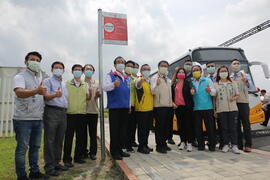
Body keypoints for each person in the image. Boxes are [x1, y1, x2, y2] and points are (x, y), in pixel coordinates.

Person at [13, 51, 49, 180]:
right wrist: (36, 91)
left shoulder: (39, 78)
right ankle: (21, 176)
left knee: (35, 147)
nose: (35, 62)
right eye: (32, 59)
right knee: (22, 149)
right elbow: (19, 93)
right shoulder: (20, 77)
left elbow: (42, 96)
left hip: (37, 119)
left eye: (38, 60)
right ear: (26, 62)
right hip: (23, 119)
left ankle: (34, 172)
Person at [43, 61, 69, 176]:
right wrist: (54, 95)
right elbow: (45, 97)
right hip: (51, 111)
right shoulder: (47, 81)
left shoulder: (64, 83)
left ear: (63, 70)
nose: (58, 69)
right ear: (52, 69)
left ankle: (56, 163)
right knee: (50, 140)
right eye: (56, 67)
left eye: (60, 68)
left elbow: (65, 99)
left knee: (59, 139)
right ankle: (49, 167)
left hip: (63, 113)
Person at [103, 56, 130, 160]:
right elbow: (104, 87)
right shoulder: (110, 75)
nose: (121, 64)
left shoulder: (126, 77)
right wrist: (114, 84)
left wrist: (129, 105)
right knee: (115, 130)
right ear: (114, 65)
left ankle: (120, 150)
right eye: (119, 62)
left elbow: (128, 92)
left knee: (123, 130)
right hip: (115, 107)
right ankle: (114, 152)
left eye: (123, 62)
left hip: (124, 107)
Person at [63, 64, 90, 167]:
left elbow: (87, 97)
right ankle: (66, 159)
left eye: (79, 70)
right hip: (70, 114)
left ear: (82, 72)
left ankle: (78, 157)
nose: (77, 71)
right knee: (69, 137)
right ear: (72, 71)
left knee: (80, 137)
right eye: (75, 69)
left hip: (82, 114)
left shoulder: (85, 85)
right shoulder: (67, 84)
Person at [214, 66, 240, 154]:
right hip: (221, 110)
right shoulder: (216, 84)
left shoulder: (233, 82)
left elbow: (237, 94)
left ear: (228, 72)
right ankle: (225, 145)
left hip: (233, 109)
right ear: (218, 73)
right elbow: (214, 98)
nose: (223, 73)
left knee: (233, 128)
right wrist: (215, 110)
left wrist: (234, 98)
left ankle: (234, 145)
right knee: (224, 128)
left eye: (225, 71)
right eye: (221, 71)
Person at [190, 64, 216, 151]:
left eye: (197, 70)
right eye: (193, 70)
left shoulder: (207, 80)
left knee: (210, 128)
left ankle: (212, 145)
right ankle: (201, 145)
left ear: (201, 71)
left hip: (208, 108)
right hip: (196, 108)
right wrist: (191, 93)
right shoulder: (191, 82)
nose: (195, 71)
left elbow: (214, 92)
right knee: (198, 129)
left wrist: (210, 91)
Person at [230, 58, 253, 152]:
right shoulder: (230, 77)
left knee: (246, 124)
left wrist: (245, 81)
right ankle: (238, 145)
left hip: (243, 103)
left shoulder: (245, 75)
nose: (236, 65)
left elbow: (250, 87)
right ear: (231, 66)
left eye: (237, 63)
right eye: (234, 63)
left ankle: (248, 145)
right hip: (233, 104)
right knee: (236, 125)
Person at [151, 60, 173, 153]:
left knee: (166, 127)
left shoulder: (168, 80)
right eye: (162, 66)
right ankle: (159, 146)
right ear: (159, 67)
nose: (164, 68)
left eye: (166, 66)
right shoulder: (154, 78)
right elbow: (152, 92)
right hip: (159, 107)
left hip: (168, 106)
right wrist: (156, 84)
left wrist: (172, 103)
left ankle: (164, 144)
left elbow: (170, 94)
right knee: (160, 127)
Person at [172, 67, 193, 152]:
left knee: (188, 125)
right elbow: (172, 95)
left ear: (185, 74)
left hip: (187, 107)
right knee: (180, 126)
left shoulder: (188, 82)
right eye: (179, 72)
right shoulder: (174, 84)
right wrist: (173, 102)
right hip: (178, 107)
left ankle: (189, 143)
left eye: (183, 72)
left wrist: (192, 90)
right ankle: (183, 142)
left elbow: (192, 89)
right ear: (177, 74)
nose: (181, 73)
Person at [82, 64, 100, 160]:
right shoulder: (80, 82)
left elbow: (98, 96)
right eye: (86, 69)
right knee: (83, 133)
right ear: (83, 71)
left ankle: (93, 152)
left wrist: (97, 95)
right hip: (82, 111)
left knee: (93, 134)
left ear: (93, 72)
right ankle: (83, 151)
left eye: (90, 69)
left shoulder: (97, 83)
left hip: (93, 111)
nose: (88, 70)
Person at [135, 64, 154, 154]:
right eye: (145, 69)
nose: (147, 71)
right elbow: (138, 86)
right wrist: (142, 80)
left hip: (150, 108)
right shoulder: (139, 80)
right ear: (141, 71)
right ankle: (141, 146)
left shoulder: (150, 81)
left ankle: (145, 144)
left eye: (148, 69)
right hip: (142, 109)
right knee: (142, 129)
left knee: (147, 129)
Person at [124, 60, 137, 152]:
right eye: (128, 66)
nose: (130, 68)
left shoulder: (134, 79)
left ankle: (129, 145)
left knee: (132, 127)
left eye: (132, 67)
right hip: (123, 106)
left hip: (133, 106)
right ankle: (123, 145)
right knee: (123, 127)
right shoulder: (121, 77)